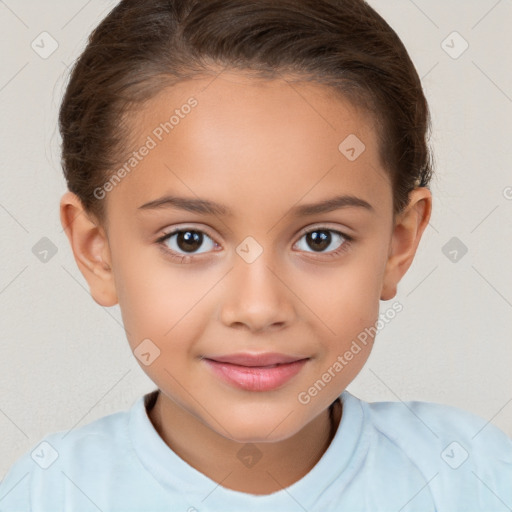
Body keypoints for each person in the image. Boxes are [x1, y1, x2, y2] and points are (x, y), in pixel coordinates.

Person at [1, 0, 511, 510]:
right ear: (98, 253)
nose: (259, 308)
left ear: (399, 243)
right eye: (189, 240)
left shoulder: (474, 478)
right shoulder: (47, 495)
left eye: (320, 239)